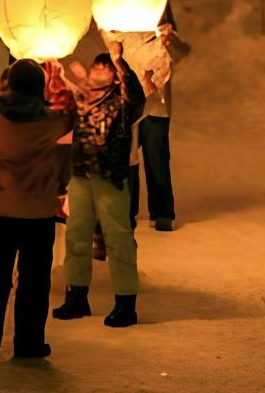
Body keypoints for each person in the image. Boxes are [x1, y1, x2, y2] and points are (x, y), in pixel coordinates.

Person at [0, 59, 76, 359]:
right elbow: (65, 154)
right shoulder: (53, 123)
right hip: (38, 212)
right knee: (34, 280)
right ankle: (29, 342)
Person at [52, 39, 146, 328]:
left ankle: (126, 303)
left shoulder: (122, 102)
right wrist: (54, 70)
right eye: (96, 66)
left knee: (118, 239)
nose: (97, 72)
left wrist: (120, 60)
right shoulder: (81, 100)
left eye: (105, 68)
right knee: (76, 237)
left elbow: (137, 96)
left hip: (109, 177)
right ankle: (76, 297)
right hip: (80, 175)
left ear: (116, 76)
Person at [123, 18, 191, 231]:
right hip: (129, 105)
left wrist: (169, 39)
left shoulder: (162, 32)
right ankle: (127, 212)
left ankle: (162, 212)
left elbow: (182, 51)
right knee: (129, 160)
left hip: (156, 107)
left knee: (156, 157)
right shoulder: (122, 27)